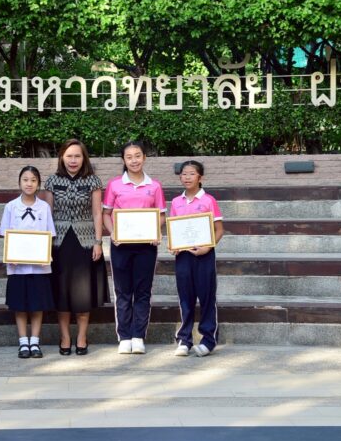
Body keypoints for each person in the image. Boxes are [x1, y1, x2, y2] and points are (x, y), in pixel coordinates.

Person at [39, 139, 108, 356]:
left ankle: (82, 337)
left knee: (82, 293)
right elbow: (47, 214)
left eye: (77, 156)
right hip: (58, 242)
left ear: (84, 158)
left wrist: (98, 242)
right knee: (62, 292)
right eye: (69, 156)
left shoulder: (93, 181)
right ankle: (65, 337)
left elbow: (97, 213)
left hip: (85, 242)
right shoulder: (52, 181)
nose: (73, 160)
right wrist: (45, 243)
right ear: (62, 157)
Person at [102, 140, 165, 355]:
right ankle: (124, 336)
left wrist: (156, 232)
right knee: (122, 291)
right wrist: (113, 233)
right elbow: (106, 214)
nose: (134, 160)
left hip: (146, 246)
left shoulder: (154, 186)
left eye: (138, 156)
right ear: (123, 160)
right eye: (129, 157)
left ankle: (138, 336)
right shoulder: (114, 185)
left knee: (143, 291)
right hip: (121, 246)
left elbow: (161, 215)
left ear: (144, 157)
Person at [169, 160, 226, 357]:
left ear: (200, 177)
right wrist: (174, 245)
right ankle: (184, 339)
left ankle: (208, 340)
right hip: (183, 257)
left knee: (207, 297)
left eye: (191, 174)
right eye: (184, 174)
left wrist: (207, 247)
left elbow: (219, 230)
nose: (187, 177)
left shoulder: (209, 200)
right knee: (185, 297)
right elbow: (174, 230)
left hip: (204, 256)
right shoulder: (176, 202)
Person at [0, 166, 57, 359]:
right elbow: (6, 235)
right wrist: (11, 255)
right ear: (19, 182)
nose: (29, 184)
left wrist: (44, 254)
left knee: (37, 305)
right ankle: (23, 341)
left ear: (38, 183)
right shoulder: (11, 207)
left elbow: (49, 234)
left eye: (33, 180)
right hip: (17, 267)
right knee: (20, 305)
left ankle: (35, 341)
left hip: (39, 267)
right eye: (25, 179)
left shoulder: (44, 207)